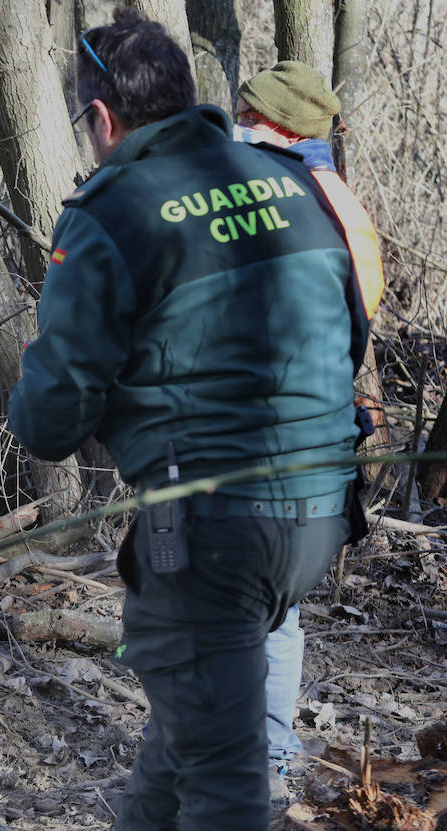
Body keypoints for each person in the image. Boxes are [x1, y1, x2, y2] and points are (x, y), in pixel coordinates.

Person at [7, 10, 369, 830]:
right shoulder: (292, 181)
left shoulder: (112, 211)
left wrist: (34, 375)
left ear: (102, 118)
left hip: (214, 537)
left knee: (223, 783)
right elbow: (350, 335)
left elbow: (50, 421)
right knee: (188, 730)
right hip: (320, 522)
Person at [232, 59, 385, 800]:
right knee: (280, 616)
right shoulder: (343, 211)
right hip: (320, 462)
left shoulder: (232, 194)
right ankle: (273, 771)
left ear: (266, 123)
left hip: (240, 456)